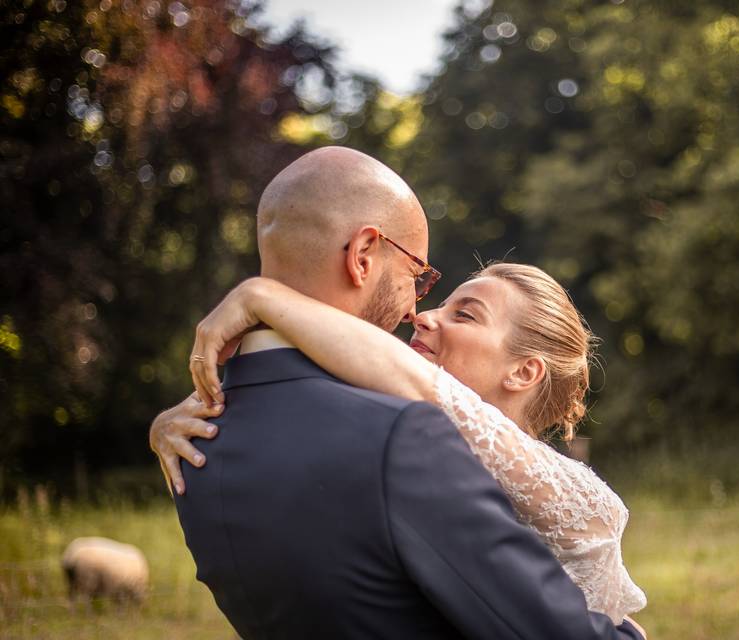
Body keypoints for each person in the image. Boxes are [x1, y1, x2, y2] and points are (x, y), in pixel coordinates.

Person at [151, 146, 646, 639]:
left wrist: (262, 296)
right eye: (419, 275)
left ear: (525, 372)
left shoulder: (204, 444)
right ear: (363, 255)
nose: (419, 312)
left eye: (464, 314)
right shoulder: (404, 438)